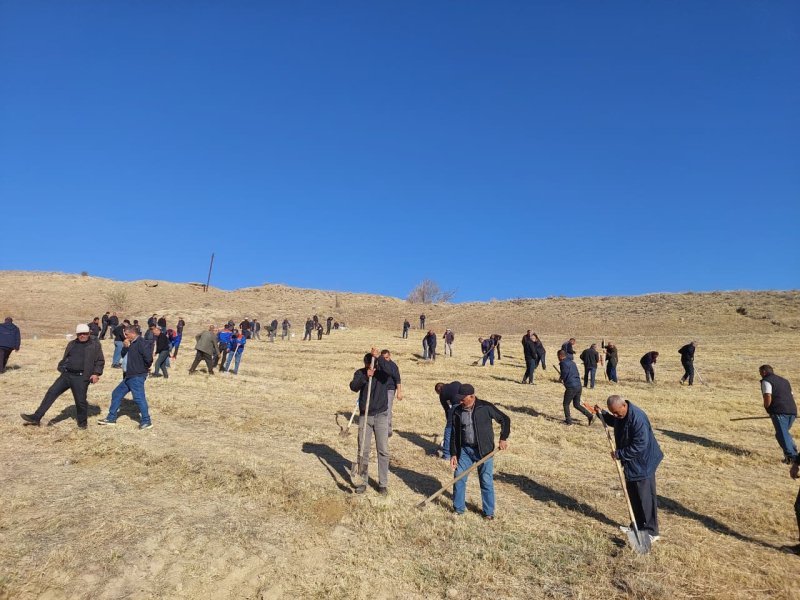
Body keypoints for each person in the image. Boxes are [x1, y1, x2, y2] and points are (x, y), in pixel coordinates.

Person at [594, 395, 664, 545]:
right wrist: (604, 415)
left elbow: (640, 444)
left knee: (646, 497)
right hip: (632, 463)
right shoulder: (620, 415)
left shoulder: (638, 419)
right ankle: (637, 526)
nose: (616, 416)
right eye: (614, 413)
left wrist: (620, 454)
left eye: (618, 413)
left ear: (624, 406)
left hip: (643, 462)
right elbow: (616, 421)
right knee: (633, 494)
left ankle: (652, 531)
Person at [20, 324, 104, 429]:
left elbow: (100, 361)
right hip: (66, 375)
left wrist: (96, 373)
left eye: (85, 334)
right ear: (77, 334)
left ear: (89, 333)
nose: (82, 335)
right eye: (80, 334)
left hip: (81, 377)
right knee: (51, 393)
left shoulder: (94, 345)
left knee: (80, 401)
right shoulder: (72, 344)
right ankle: (36, 417)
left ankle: (82, 424)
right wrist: (62, 366)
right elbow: (66, 357)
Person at [449, 383, 511, 519]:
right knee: (458, 477)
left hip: (485, 451)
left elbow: (505, 419)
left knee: (486, 481)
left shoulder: (486, 407)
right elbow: (454, 433)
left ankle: (488, 513)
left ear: (472, 397)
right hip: (465, 450)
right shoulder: (457, 411)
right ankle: (458, 509)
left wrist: (503, 438)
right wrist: (453, 453)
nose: (460, 401)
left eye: (463, 398)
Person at [349, 350, 392, 494]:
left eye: (372, 366)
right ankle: (362, 482)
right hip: (365, 416)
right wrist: (365, 377)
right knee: (363, 449)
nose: (370, 368)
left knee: (383, 451)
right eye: (368, 366)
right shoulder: (360, 373)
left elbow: (392, 369)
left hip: (381, 415)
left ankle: (383, 484)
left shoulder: (382, 374)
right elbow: (353, 387)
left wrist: (378, 357)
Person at [98, 325, 154, 429]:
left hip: (137, 376)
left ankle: (147, 421)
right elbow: (123, 355)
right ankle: (111, 418)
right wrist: (125, 346)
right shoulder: (130, 343)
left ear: (132, 333)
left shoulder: (142, 343)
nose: (125, 336)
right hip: (129, 376)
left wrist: (142, 369)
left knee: (139, 398)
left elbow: (149, 359)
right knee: (116, 393)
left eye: (126, 334)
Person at [759, 365, 797, 463]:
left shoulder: (767, 380)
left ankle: (791, 458)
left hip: (779, 411)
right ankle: (794, 453)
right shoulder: (785, 381)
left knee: (782, 434)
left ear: (764, 372)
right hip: (792, 411)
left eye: (760, 372)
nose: (760, 374)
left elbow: (767, 395)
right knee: (783, 434)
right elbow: (791, 395)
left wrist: (767, 407)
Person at [558, 349, 593, 426]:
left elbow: (564, 373)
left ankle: (568, 421)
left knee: (566, 404)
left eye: (558, 356)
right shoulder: (572, 362)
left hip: (571, 386)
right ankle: (589, 415)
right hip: (578, 385)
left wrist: (561, 378)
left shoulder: (563, 363)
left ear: (560, 356)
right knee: (576, 404)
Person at [378, 349, 403, 434]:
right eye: (383, 358)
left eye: (387, 357)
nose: (385, 359)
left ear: (390, 356)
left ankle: (388, 429)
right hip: (380, 388)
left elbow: (398, 379)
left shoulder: (393, 366)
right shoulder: (379, 365)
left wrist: (399, 392)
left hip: (390, 389)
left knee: (388, 408)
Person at [435, 380, 461, 460]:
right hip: (468, 403)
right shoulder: (456, 383)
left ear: (438, 391)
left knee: (449, 429)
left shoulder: (442, 395)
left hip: (456, 406)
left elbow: (447, 410)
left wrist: (449, 421)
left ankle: (447, 454)